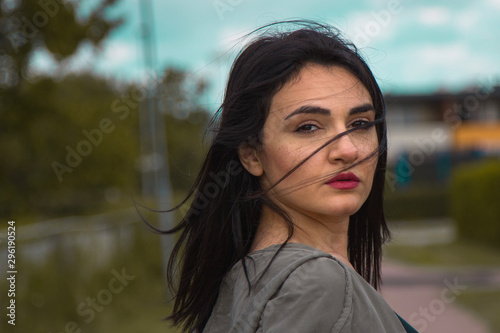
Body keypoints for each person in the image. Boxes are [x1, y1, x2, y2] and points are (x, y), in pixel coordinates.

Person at [153, 21, 418, 333]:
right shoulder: (316, 283)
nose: (347, 150)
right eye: (308, 126)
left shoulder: (244, 279)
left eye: (360, 123)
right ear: (252, 155)